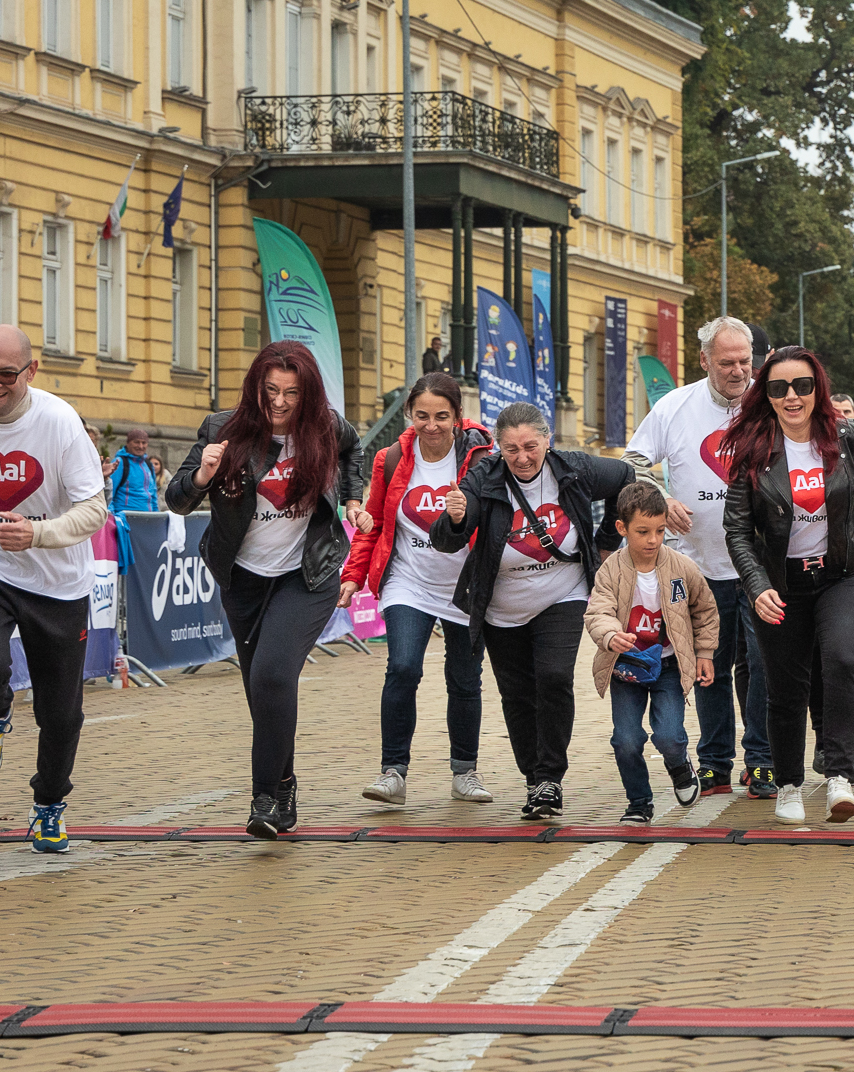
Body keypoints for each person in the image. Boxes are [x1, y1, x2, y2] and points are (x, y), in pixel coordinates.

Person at [167, 342, 363, 839]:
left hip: (308, 574)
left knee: (274, 674)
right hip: (242, 578)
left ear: (308, 394)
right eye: (271, 390)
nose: (279, 402)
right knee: (262, 689)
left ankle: (263, 798)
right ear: (256, 386)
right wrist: (202, 476)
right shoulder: (221, 429)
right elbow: (177, 499)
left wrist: (354, 496)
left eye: (292, 394)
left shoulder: (324, 427)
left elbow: (353, 446)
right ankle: (285, 781)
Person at [0, 328, 108, 850]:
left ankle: (49, 805)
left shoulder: (58, 423)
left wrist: (38, 533)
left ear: (30, 372)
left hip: (57, 581)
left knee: (62, 713)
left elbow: (95, 511)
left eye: (5, 374)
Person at [724, 346, 854, 824]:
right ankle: (787, 782)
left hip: (847, 573)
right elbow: (738, 530)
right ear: (765, 394)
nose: (792, 397)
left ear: (817, 390)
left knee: (844, 659)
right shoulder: (751, 447)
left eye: (802, 386)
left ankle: (839, 777)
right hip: (781, 583)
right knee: (785, 687)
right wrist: (756, 584)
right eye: (779, 388)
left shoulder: (844, 434)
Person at [430, 401, 633, 821]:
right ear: (499, 449)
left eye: (530, 446)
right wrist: (453, 519)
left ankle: (550, 778)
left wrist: (605, 542)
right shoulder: (483, 476)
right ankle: (533, 778)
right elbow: (449, 540)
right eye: (511, 449)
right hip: (502, 606)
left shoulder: (574, 468)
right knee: (518, 695)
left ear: (546, 440)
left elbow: (625, 479)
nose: (522, 457)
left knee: (555, 677)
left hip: (563, 592)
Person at [623, 316, 773, 798]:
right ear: (704, 360)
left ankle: (763, 759)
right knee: (708, 666)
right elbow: (633, 461)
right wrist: (659, 497)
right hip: (698, 567)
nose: (737, 371)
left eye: (745, 361)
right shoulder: (675, 406)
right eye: (726, 362)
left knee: (763, 667)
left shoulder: (769, 404)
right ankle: (714, 762)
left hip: (761, 567)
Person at [339, 372, 495, 807]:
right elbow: (375, 522)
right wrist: (353, 575)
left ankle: (465, 772)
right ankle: (393, 772)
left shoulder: (482, 459)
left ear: (458, 417)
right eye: (422, 415)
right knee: (404, 667)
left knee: (464, 679)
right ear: (410, 414)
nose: (431, 425)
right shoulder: (390, 458)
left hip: (464, 586)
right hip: (408, 581)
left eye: (441, 416)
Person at [586, 482, 714, 824]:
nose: (652, 540)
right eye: (642, 532)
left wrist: (705, 653)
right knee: (625, 740)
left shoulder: (681, 567)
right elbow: (597, 611)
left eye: (659, 531)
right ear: (622, 529)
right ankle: (639, 802)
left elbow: (705, 610)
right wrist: (611, 635)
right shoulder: (610, 570)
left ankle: (680, 766)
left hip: (669, 667)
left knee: (669, 736)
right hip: (626, 668)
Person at [105, 428, 166, 513]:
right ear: (128, 443)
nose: (140, 446)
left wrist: (156, 516)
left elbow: (153, 495)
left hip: (147, 518)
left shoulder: (148, 464)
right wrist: (112, 517)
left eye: (144, 443)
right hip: (125, 518)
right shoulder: (120, 463)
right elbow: (109, 492)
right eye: (136, 442)